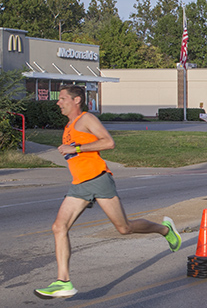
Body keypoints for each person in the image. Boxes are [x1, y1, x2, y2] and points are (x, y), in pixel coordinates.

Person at [35, 85, 181, 299]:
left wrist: (74, 149)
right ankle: (63, 282)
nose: (58, 102)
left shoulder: (86, 119)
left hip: (98, 180)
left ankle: (165, 230)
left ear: (77, 100)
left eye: (63, 98)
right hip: (79, 184)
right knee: (59, 227)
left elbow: (108, 142)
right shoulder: (69, 125)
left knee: (124, 228)